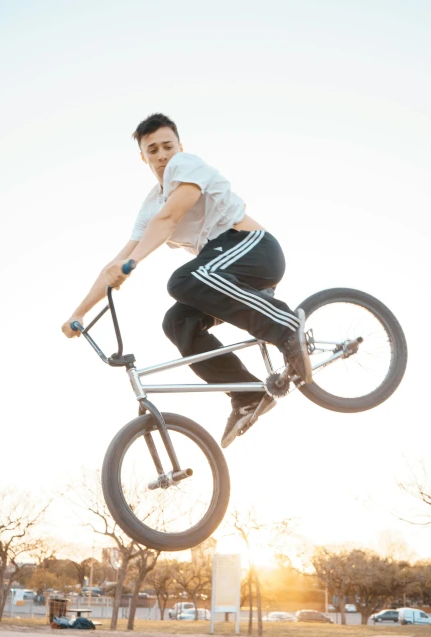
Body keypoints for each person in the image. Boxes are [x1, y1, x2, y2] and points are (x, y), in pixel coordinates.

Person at [62, 113, 312, 448]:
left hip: (253, 249)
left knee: (184, 279)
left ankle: (285, 328)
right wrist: (77, 313)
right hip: (222, 271)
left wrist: (134, 262)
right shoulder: (151, 204)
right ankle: (248, 394)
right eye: (153, 150)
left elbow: (171, 217)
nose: (162, 155)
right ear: (144, 157)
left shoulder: (187, 165)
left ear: (180, 147)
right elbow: (116, 263)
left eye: (168, 146)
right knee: (177, 322)